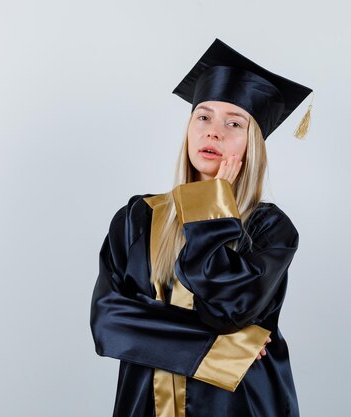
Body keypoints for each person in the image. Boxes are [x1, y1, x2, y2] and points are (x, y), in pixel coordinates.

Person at [89, 38, 313, 417]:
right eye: (203, 117)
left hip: (239, 406)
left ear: (252, 144)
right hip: (146, 404)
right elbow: (108, 322)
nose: (213, 132)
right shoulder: (137, 217)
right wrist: (226, 350)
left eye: (233, 123)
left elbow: (226, 310)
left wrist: (212, 207)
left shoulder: (270, 229)